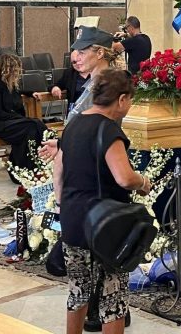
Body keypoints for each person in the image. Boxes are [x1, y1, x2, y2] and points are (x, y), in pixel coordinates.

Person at [59, 68, 151, 334]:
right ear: (121, 99)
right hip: (104, 225)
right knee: (113, 298)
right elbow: (124, 177)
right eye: (130, 99)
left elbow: (59, 171)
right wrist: (143, 182)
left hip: (73, 218)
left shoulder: (74, 124)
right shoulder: (108, 129)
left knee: (78, 291)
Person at [0, 54, 47, 173]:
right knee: (32, 125)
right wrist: (19, 118)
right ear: (8, 69)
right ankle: (26, 166)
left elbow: (16, 93)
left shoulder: (10, 84)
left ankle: (29, 165)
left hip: (10, 121)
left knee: (33, 126)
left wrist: (31, 93)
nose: (18, 73)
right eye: (16, 69)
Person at [46, 50, 90, 114]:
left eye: (79, 60)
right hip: (75, 113)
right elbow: (56, 85)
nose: (77, 63)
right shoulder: (69, 73)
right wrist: (55, 88)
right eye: (74, 62)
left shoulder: (97, 72)